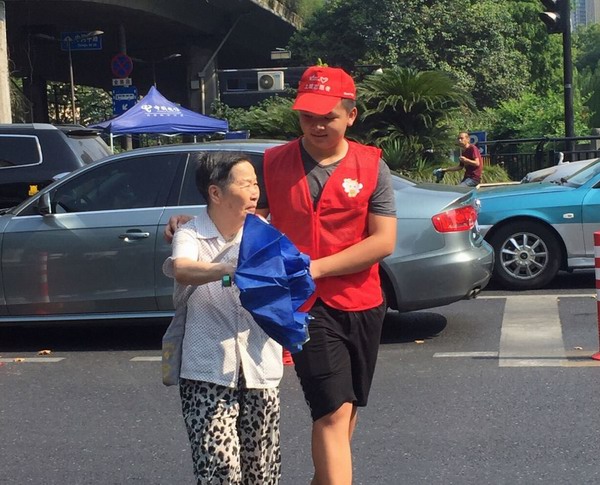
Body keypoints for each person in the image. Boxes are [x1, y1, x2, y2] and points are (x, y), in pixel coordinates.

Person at [165, 65, 397, 485]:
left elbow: (383, 241)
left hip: (362, 301)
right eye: (308, 116)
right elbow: (242, 215)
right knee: (331, 411)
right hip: (301, 305)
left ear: (351, 115)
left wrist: (319, 267)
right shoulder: (274, 163)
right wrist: (193, 221)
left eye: (327, 116)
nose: (317, 125)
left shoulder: (371, 165)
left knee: (347, 411)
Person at [164, 151, 283, 484]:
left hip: (260, 366)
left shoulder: (264, 232)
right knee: (219, 469)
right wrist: (229, 269)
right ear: (215, 192)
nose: (255, 193)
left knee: (262, 469)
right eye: (245, 184)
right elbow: (182, 268)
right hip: (206, 370)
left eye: (256, 184)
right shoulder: (190, 234)